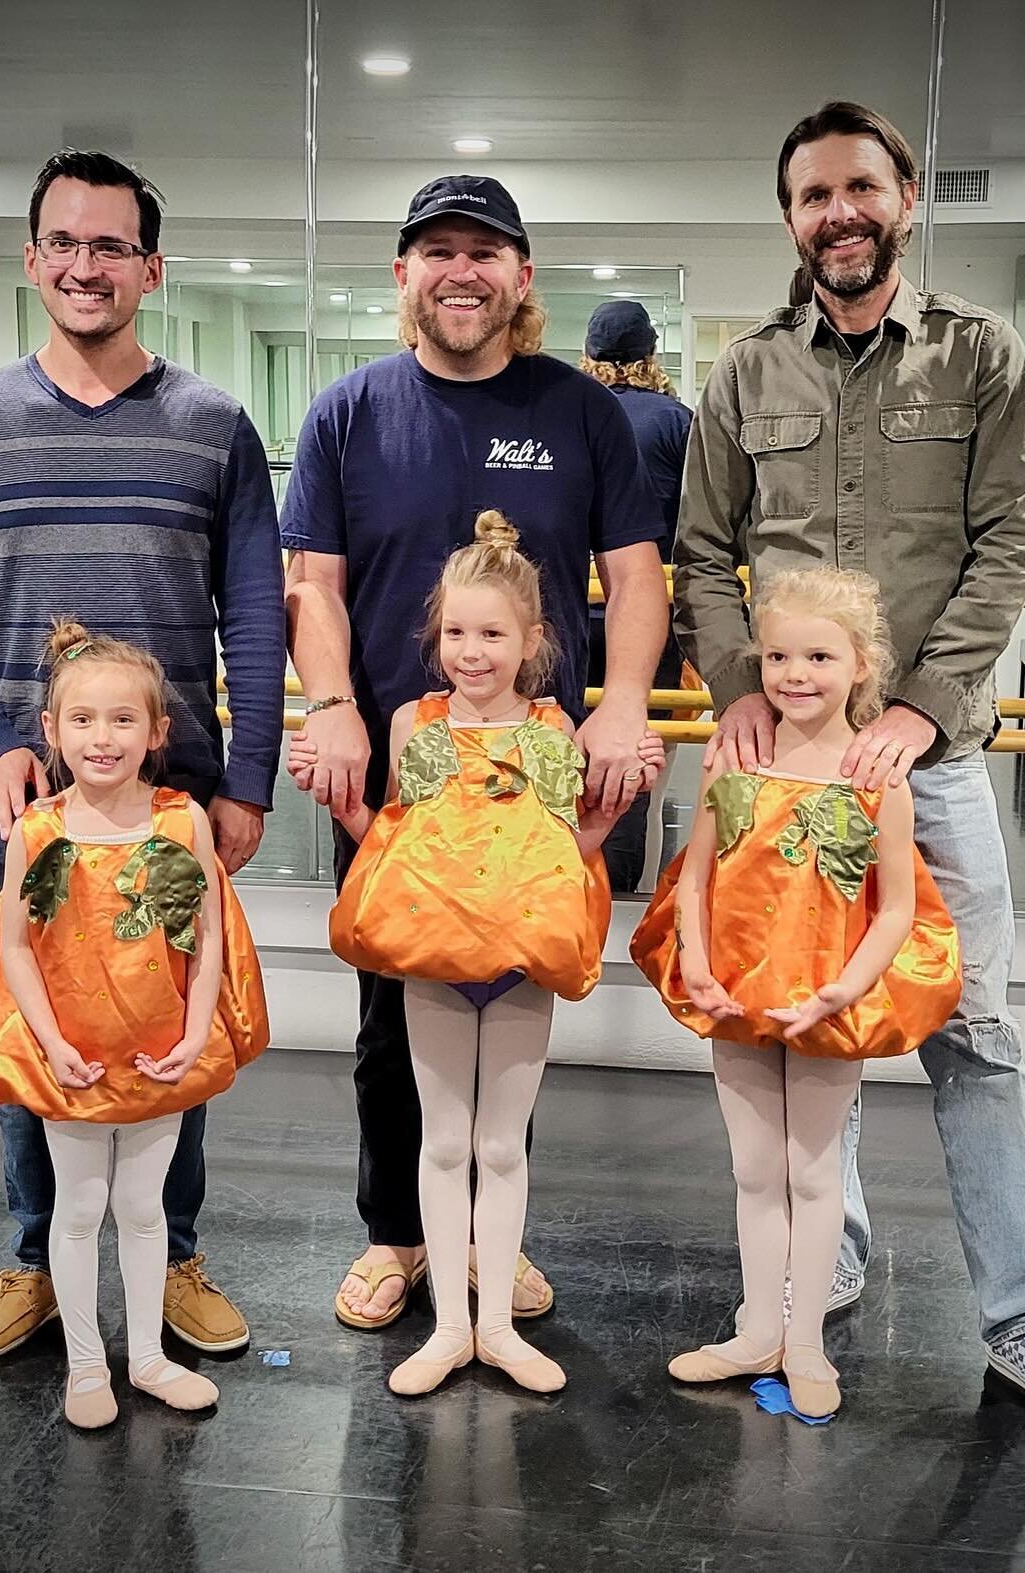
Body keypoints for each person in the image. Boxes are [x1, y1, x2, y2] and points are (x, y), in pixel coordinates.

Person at [674, 99, 1025, 1439]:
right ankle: (832, 1255)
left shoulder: (984, 356)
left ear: (907, 196)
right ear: (792, 218)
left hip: (924, 764)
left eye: (860, 188)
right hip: (785, 778)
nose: (839, 214)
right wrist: (744, 694)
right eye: (813, 196)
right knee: (802, 1016)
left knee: (975, 1037)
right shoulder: (747, 373)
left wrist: (923, 713)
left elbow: (1007, 544)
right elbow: (704, 551)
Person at [0, 148, 286, 1364]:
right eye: (63, 243)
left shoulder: (215, 425)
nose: (85, 266)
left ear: (151, 269)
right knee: (37, 1037)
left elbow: (257, 619)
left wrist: (247, 780)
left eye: (111, 246)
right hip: (21, 811)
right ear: (31, 260)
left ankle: (171, 1257)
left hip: (168, 803)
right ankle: (34, 1263)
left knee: (175, 1033)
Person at [282, 174, 669, 1334]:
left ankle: (492, 1232)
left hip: (535, 765)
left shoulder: (581, 411)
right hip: (401, 756)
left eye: (485, 251)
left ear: (522, 276)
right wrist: (336, 702)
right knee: (391, 1011)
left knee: (512, 992)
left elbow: (638, 577)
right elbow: (314, 584)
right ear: (403, 275)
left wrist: (625, 703)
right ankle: (397, 1235)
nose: (462, 269)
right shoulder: (348, 411)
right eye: (436, 250)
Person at [291, 513, 662, 1394]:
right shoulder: (415, 723)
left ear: (533, 640)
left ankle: (495, 1320)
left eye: (492, 634)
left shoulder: (551, 731)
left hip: (518, 967)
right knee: (442, 1141)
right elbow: (392, 840)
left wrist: (619, 803)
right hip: (434, 965)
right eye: (455, 632)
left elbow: (565, 847)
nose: (471, 650)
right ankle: (450, 1326)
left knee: (502, 1146)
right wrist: (332, 794)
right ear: (436, 634)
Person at [632, 566, 960, 1416]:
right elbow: (695, 874)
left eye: (818, 655)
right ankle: (755, 1328)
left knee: (813, 1174)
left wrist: (841, 991)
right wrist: (698, 965)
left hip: (825, 994)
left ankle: (806, 1340)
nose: (794, 674)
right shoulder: (733, 757)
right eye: (778, 655)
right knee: (753, 1168)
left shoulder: (876, 777)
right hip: (737, 988)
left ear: (861, 666)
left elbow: (897, 906)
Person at [0, 621, 269, 1427]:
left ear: (158, 732)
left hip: (159, 1049)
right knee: (79, 1208)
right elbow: (14, 946)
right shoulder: (38, 832)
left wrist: (193, 1036)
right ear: (50, 730)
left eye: (123, 719)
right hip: (73, 1051)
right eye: (82, 719)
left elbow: (209, 935)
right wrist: (51, 1043)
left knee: (146, 1207)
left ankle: (147, 1356)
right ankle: (89, 1367)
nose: (102, 737)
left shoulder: (182, 821)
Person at [579, 300, 693, 889]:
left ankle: (561, 888)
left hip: (571, 617)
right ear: (650, 357)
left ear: (589, 357)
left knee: (559, 753)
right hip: (650, 614)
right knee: (637, 762)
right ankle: (622, 896)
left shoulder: (570, 416)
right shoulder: (677, 422)